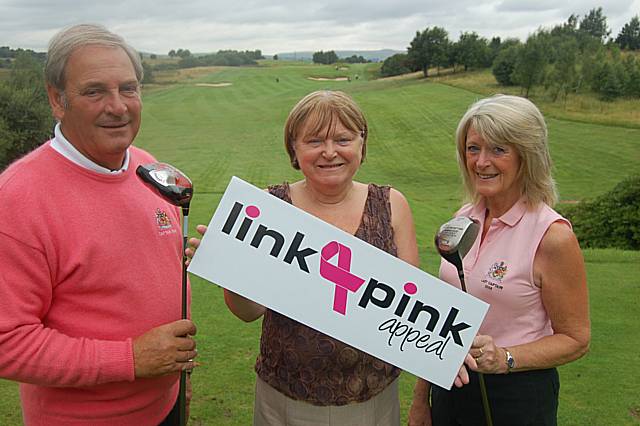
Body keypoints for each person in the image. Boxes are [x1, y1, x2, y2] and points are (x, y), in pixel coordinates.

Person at [0, 24, 197, 426]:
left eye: (129, 88)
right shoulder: (18, 199)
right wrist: (131, 359)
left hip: (165, 404)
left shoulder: (147, 166)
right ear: (57, 100)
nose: (119, 106)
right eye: (95, 91)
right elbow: (7, 343)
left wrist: (177, 378)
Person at [189, 90, 419, 425]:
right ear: (294, 148)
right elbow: (247, 312)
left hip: (373, 398)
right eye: (314, 141)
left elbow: (409, 311)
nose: (329, 152)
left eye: (342, 138)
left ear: (361, 143)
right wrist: (231, 269)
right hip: (285, 398)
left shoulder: (391, 204)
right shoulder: (268, 207)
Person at [408, 94, 591, 426]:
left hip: (517, 393)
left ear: (527, 156)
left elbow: (576, 339)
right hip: (450, 384)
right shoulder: (463, 218)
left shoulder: (552, 236)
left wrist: (505, 358)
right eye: (473, 148)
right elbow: (439, 317)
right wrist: (421, 399)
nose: (481, 162)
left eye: (498, 150)